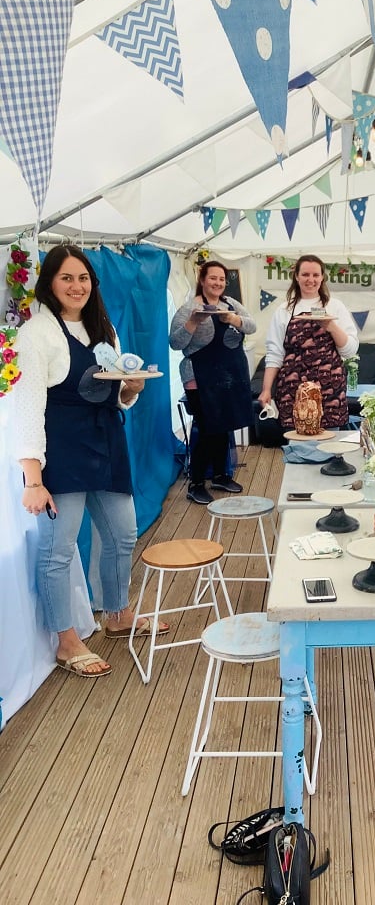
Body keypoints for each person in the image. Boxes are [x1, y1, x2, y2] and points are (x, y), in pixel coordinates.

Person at [13, 245, 167, 679]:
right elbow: (27, 407)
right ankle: (66, 640)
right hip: (60, 449)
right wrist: (33, 477)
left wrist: (132, 389)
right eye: (67, 278)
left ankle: (116, 613)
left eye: (83, 278)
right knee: (59, 548)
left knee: (122, 532)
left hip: (105, 440)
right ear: (50, 283)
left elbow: (116, 394)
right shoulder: (37, 333)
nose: (77, 286)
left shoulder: (105, 328)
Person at [170, 260, 256, 505]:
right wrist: (194, 322)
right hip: (199, 377)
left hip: (227, 377)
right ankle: (195, 483)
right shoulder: (188, 309)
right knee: (207, 429)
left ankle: (220, 476)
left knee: (224, 426)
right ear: (202, 279)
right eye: (213, 278)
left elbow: (252, 326)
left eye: (221, 279)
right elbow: (175, 343)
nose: (217, 283)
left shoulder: (231, 304)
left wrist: (234, 320)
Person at [259, 254, 358, 430]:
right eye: (305, 275)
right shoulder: (284, 310)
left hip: (329, 388)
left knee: (329, 444)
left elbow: (349, 350)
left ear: (322, 278)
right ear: (297, 277)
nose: (310, 280)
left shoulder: (335, 307)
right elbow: (275, 354)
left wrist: (331, 326)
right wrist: (266, 389)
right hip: (293, 388)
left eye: (315, 275)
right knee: (298, 446)